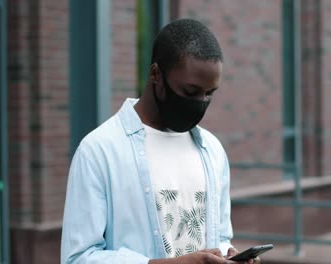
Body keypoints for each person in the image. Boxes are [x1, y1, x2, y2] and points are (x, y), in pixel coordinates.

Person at [61, 19, 260, 264]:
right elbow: (78, 258)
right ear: (156, 75)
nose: (200, 102)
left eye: (209, 94)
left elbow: (219, 238)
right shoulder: (99, 151)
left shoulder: (212, 151)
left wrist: (230, 255)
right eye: (190, 92)